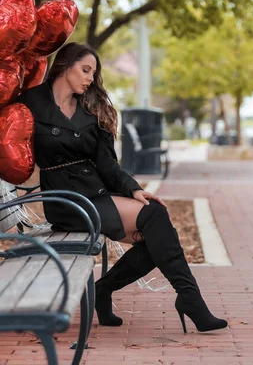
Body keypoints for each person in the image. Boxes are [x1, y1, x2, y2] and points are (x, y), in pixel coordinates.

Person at [16, 42, 227, 333]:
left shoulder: (90, 108)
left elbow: (107, 164)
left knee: (155, 223)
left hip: (94, 193)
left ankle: (118, 291)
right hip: (67, 201)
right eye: (85, 70)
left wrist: (133, 189)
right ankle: (188, 300)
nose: (91, 78)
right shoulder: (30, 101)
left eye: (94, 72)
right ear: (64, 66)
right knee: (155, 222)